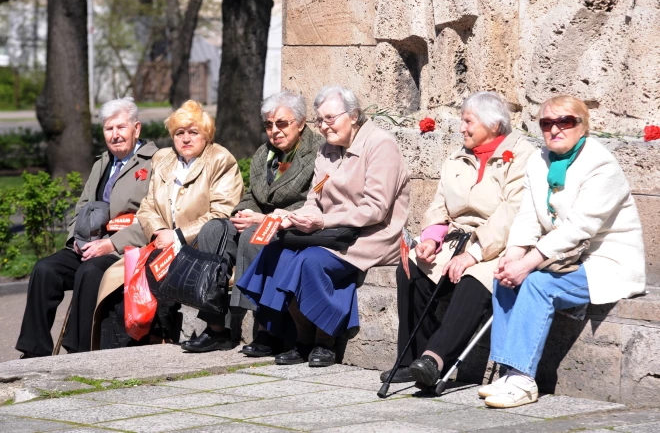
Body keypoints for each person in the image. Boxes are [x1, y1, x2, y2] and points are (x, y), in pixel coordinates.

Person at [480, 95, 646, 408]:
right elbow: (527, 216)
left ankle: (523, 378)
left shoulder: (601, 165)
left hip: (604, 262)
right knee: (503, 275)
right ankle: (507, 369)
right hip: (562, 258)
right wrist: (513, 256)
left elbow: (579, 229)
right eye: (547, 123)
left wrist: (527, 264)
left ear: (583, 127)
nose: (555, 129)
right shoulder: (539, 161)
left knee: (536, 284)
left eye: (565, 122)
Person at [237, 85, 410, 368]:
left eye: (330, 118)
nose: (324, 126)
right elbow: (314, 198)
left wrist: (323, 221)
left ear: (353, 115)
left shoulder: (380, 145)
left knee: (309, 260)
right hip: (330, 233)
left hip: (371, 236)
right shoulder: (326, 150)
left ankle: (324, 340)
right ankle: (299, 338)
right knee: (276, 252)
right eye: (320, 120)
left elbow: (376, 209)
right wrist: (295, 217)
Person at [381, 91, 536, 388]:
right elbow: (440, 204)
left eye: (468, 121)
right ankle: (409, 358)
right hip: (455, 238)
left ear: (493, 124)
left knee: (474, 280)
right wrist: (431, 238)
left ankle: (434, 360)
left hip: (500, 244)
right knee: (411, 269)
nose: (461, 128)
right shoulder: (457, 158)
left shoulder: (522, 156)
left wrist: (473, 254)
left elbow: (512, 212)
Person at [181, 90, 325, 354]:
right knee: (213, 230)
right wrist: (243, 215)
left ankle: (267, 330)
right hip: (260, 221)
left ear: (301, 122)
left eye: (282, 123)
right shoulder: (264, 153)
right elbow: (251, 195)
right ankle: (217, 329)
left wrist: (266, 218)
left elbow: (314, 200)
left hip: (290, 226)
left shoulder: (317, 151)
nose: (275, 131)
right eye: (269, 125)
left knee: (254, 236)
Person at [93, 100, 244, 349]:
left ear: (205, 134)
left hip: (199, 243)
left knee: (153, 279)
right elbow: (147, 207)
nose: (185, 139)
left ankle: (183, 334)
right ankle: (125, 348)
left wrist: (177, 237)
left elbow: (223, 212)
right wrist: (160, 232)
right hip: (162, 242)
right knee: (115, 281)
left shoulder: (219, 159)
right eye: (179, 133)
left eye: (193, 132)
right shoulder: (164, 159)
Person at [16, 97, 158, 357]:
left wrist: (110, 244)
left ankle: (79, 351)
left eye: (121, 127)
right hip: (90, 245)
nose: (114, 135)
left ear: (136, 129)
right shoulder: (102, 163)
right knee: (45, 269)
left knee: (90, 272)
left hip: (126, 250)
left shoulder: (155, 163)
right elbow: (82, 207)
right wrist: (75, 241)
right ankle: (34, 350)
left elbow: (154, 218)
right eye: (108, 129)